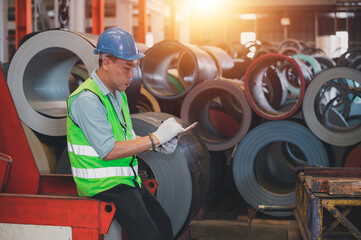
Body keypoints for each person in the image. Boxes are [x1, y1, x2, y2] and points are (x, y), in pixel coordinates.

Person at [67, 27, 184, 240]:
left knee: (163, 224)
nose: (132, 75)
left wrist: (159, 143)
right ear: (106, 63)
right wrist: (154, 138)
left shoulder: (117, 95)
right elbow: (109, 150)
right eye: (127, 68)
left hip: (126, 180)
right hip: (102, 185)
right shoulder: (87, 99)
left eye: (134, 68)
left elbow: (127, 140)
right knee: (149, 235)